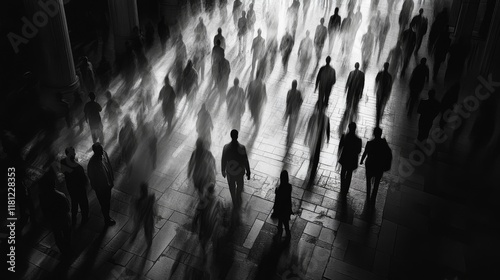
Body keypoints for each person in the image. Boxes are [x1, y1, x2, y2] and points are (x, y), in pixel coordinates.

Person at [38, 166, 72, 256]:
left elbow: (44, 210)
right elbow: (67, 208)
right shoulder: (60, 195)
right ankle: (68, 249)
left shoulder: (42, 196)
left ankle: (63, 251)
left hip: (53, 221)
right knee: (66, 234)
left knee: (58, 236)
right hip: (63, 219)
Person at [360, 127, 391, 205]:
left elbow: (365, 153)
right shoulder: (384, 143)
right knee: (377, 183)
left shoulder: (370, 143)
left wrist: (361, 160)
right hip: (379, 166)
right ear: (380, 134)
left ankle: (368, 196)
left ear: (374, 133)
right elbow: (388, 154)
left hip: (370, 165)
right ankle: (373, 197)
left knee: (368, 181)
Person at [87, 142, 116, 226]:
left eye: (102, 149)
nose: (102, 151)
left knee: (107, 202)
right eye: (100, 150)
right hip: (101, 188)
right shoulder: (92, 163)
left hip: (108, 184)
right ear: (95, 151)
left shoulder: (104, 154)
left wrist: (111, 180)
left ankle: (106, 214)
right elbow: (91, 176)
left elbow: (108, 166)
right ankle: (107, 218)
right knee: (104, 203)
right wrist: (98, 188)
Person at [221, 129, 251, 209]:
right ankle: (238, 196)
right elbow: (245, 161)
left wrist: (223, 170)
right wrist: (248, 172)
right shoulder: (242, 148)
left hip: (230, 172)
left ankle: (234, 199)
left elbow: (223, 159)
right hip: (239, 171)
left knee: (231, 186)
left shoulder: (226, 147)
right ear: (237, 136)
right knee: (240, 185)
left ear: (231, 136)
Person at [60, 147, 89, 226]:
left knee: (74, 202)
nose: (75, 154)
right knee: (83, 204)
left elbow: (63, 171)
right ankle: (84, 219)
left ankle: (73, 218)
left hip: (71, 187)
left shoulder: (62, 161)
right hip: (80, 189)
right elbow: (84, 180)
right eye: (73, 153)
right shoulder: (78, 167)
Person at [338, 122, 362, 195]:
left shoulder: (344, 136)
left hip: (344, 158)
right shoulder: (358, 140)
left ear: (349, 128)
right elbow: (359, 151)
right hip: (352, 160)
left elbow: (340, 146)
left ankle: (342, 187)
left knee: (343, 172)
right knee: (349, 174)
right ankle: (346, 189)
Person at [130, 183, 157, 248]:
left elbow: (135, 209)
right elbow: (154, 208)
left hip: (141, 217)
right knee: (148, 230)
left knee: (138, 227)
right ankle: (149, 241)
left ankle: (135, 235)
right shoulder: (150, 198)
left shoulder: (138, 201)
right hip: (148, 218)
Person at [273, 170, 293, 242]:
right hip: (286, 209)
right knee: (286, 223)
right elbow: (288, 199)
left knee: (280, 222)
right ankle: (288, 234)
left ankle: (280, 232)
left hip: (280, 209)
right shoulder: (289, 187)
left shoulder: (279, 189)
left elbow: (277, 201)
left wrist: (275, 210)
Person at [285, 80, 303, 145]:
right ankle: (290, 133)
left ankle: (289, 133)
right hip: (295, 110)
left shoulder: (289, 92)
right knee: (293, 122)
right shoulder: (298, 92)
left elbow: (287, 101)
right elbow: (301, 101)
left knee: (290, 121)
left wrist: (287, 108)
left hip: (291, 110)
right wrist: (298, 106)